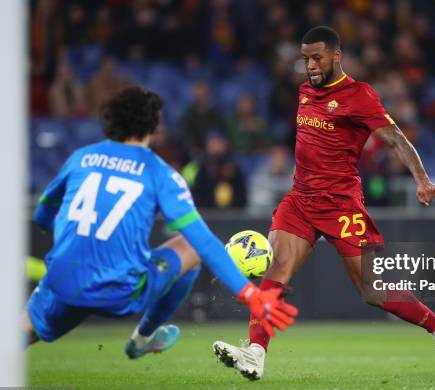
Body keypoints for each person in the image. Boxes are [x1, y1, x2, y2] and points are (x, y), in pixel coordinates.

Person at [213, 26, 435, 381]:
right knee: (276, 268)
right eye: (305, 59)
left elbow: (395, 138)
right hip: (300, 199)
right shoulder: (304, 91)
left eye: (316, 58)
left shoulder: (359, 95)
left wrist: (420, 178)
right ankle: (255, 354)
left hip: (341, 204)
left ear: (336, 57)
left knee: (373, 292)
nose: (310, 65)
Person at [24, 87, 297, 357]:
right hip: (120, 290)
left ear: (109, 122)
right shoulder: (159, 173)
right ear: (153, 127)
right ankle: (144, 336)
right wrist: (250, 294)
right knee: (188, 247)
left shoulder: (80, 158)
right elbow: (201, 241)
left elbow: (41, 217)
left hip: (64, 281)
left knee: (22, 332)